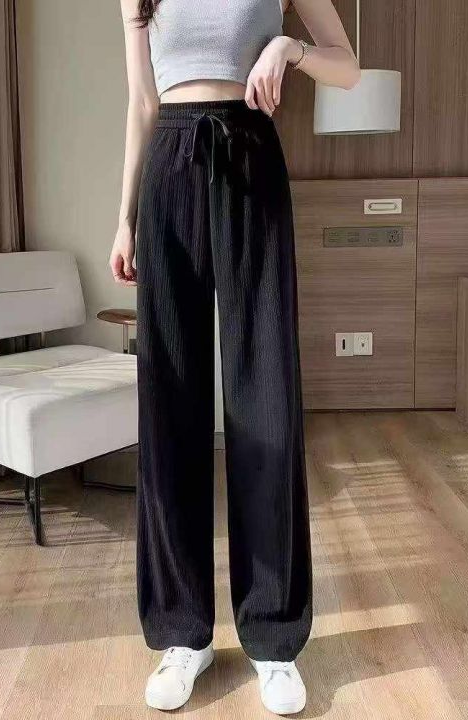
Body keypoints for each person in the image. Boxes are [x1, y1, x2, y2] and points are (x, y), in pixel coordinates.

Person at [110, 0, 359, 714]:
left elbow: (348, 66)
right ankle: (181, 634)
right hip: (168, 169)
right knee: (170, 409)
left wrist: (289, 48)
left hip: (251, 157)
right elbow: (142, 103)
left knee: (266, 398)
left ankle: (274, 639)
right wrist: (124, 218)